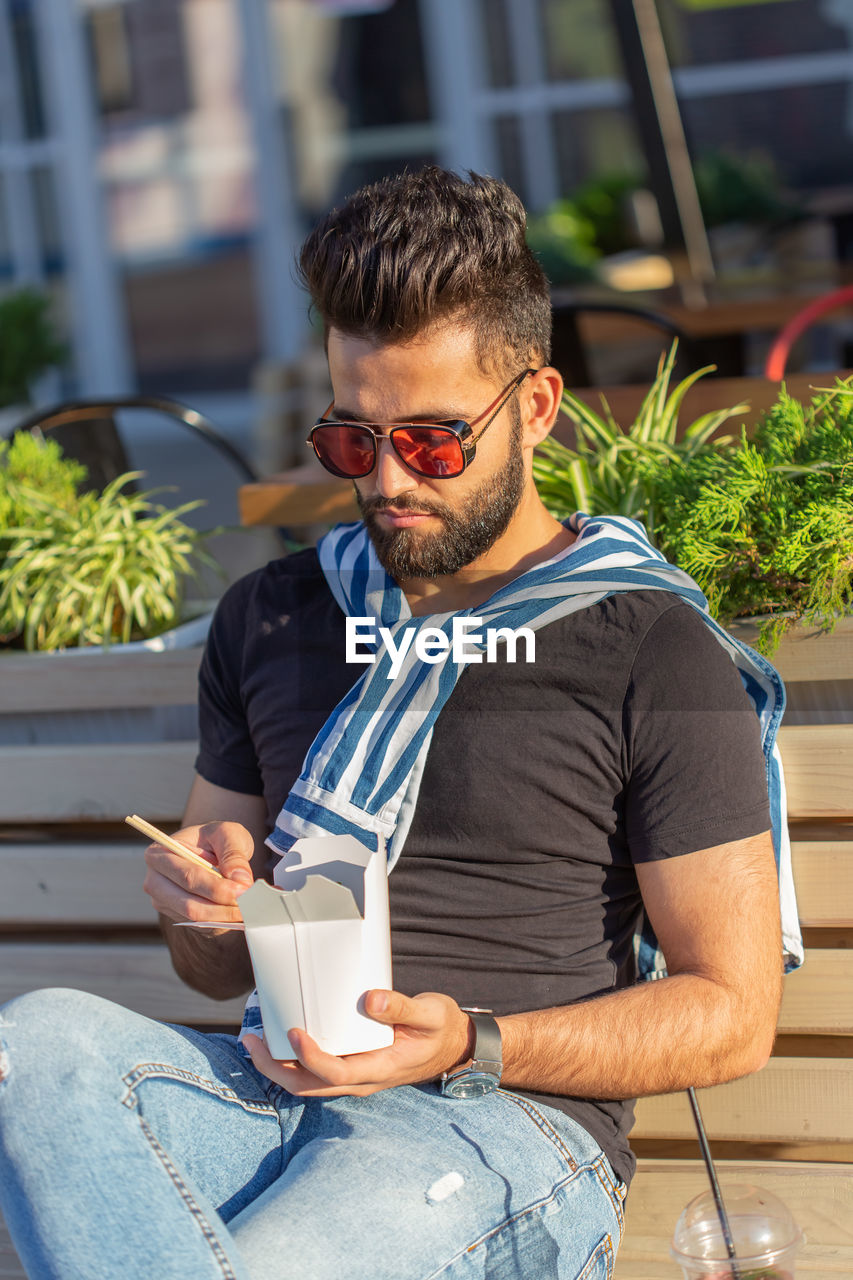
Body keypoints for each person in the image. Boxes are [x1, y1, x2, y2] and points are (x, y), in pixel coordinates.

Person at [0, 167, 790, 1280]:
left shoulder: (644, 646)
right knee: (28, 1046)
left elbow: (730, 1012)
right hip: (266, 1082)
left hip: (494, 1121)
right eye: (348, 441)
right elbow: (212, 970)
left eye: (428, 440)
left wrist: (472, 1038)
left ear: (536, 406)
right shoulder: (273, 614)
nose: (383, 481)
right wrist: (209, 903)